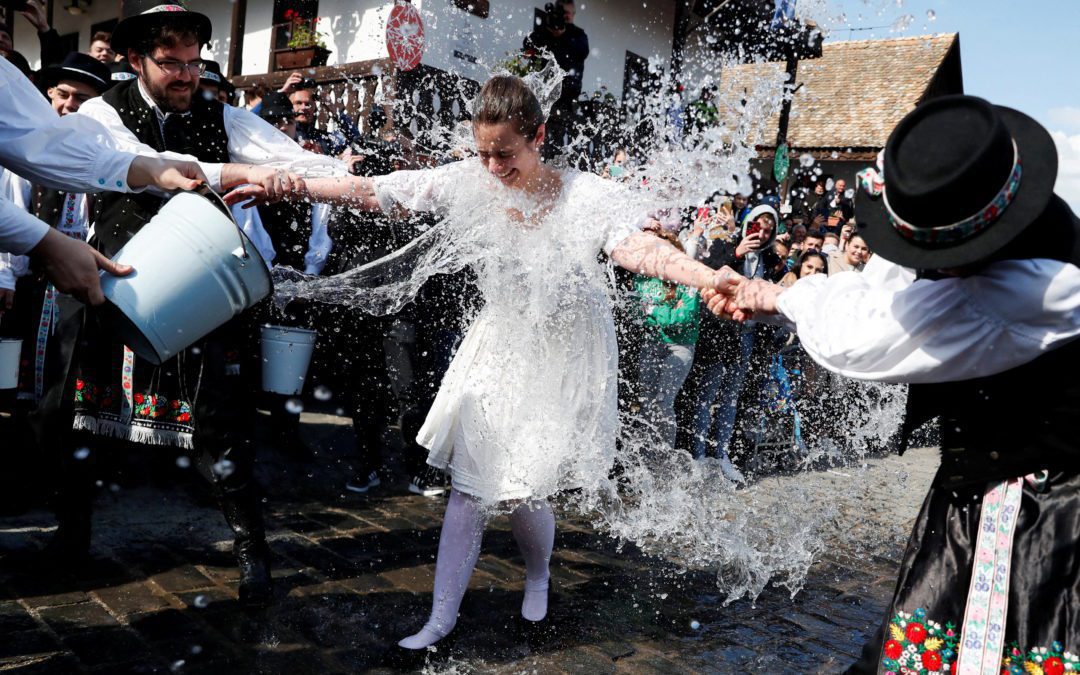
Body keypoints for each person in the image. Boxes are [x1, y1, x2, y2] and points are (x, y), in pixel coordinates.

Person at [231, 74, 740, 649]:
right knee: (471, 488)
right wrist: (294, 187)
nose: (493, 168)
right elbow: (379, 190)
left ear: (538, 137)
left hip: (565, 352)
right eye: (483, 154)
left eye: (506, 154)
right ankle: (440, 618)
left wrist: (706, 277)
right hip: (499, 343)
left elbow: (637, 247)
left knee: (524, 488)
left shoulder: (585, 194)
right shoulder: (472, 181)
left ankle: (539, 572)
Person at [708, 95, 1080, 674]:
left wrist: (777, 295)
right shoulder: (1009, 242)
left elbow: (867, 334)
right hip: (978, 496)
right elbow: (890, 292)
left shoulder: (1040, 287)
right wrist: (777, 303)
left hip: (1035, 510)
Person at [46, 0, 346, 607]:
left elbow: (289, 158)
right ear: (134, 61)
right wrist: (232, 172)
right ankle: (71, 539)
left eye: (192, 61)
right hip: (113, 277)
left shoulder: (221, 113)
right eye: (169, 63)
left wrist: (326, 174)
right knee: (75, 415)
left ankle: (250, 553)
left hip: (198, 284)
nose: (185, 75)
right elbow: (146, 166)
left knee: (223, 421)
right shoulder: (101, 114)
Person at [0, 53, 205, 303]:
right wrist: (7, 273)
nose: (70, 105)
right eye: (63, 95)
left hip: (95, 270)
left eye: (82, 98)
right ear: (50, 93)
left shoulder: (111, 150)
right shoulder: (23, 153)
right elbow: (13, 204)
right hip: (43, 272)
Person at [523, 0, 589, 156]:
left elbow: (582, 52)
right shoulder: (545, 30)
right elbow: (528, 45)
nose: (563, 17)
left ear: (572, 15)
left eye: (567, 14)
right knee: (532, 139)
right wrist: (546, 30)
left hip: (565, 99)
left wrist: (563, 35)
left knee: (555, 144)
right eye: (561, 13)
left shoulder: (578, 35)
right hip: (541, 95)